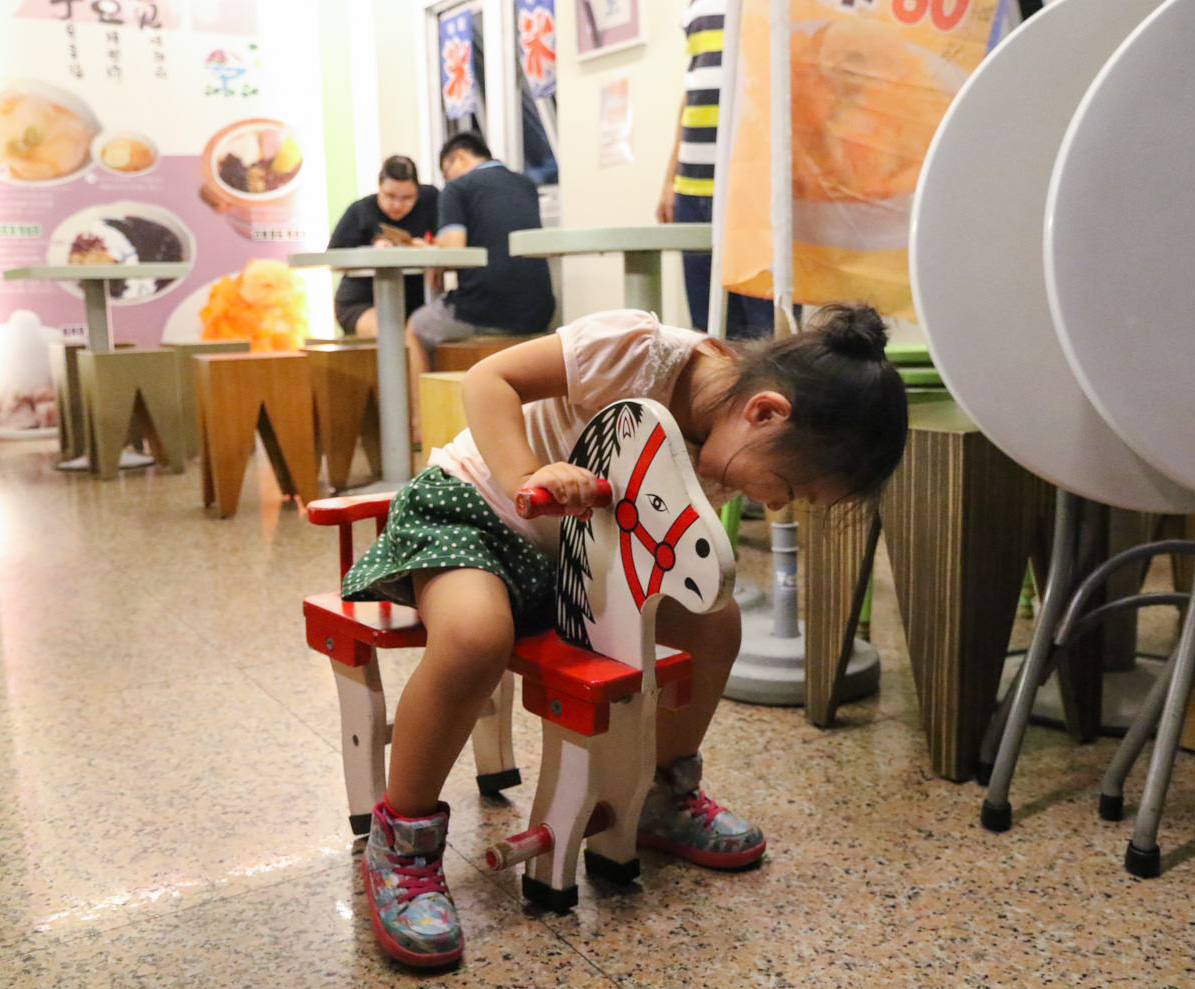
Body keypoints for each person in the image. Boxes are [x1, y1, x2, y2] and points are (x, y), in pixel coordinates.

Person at [343, 302, 909, 967]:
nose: (775, 504)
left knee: (717, 620)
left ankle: (662, 796)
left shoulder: (724, 441)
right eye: (787, 486)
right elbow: (488, 379)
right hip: (477, 511)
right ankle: (402, 840)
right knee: (473, 637)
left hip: (583, 561)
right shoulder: (634, 348)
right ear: (765, 413)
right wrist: (528, 473)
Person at [405, 132, 555, 424]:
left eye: (446, 172)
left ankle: (422, 423)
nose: (447, 180)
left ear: (459, 157)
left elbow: (454, 248)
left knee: (415, 327)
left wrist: (429, 248)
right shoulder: (525, 184)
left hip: (485, 309)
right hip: (539, 311)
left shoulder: (458, 188)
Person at [656, 0, 776, 340]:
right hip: (693, 187)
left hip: (755, 183)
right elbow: (693, 90)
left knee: (766, 331)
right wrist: (670, 179)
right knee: (709, 332)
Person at [327, 155, 439, 336]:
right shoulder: (360, 211)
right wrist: (371, 251)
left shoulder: (430, 200)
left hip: (416, 301)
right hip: (362, 300)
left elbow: (448, 240)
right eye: (389, 196)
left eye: (407, 198)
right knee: (390, 334)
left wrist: (427, 246)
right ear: (379, 188)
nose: (397, 205)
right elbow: (333, 257)